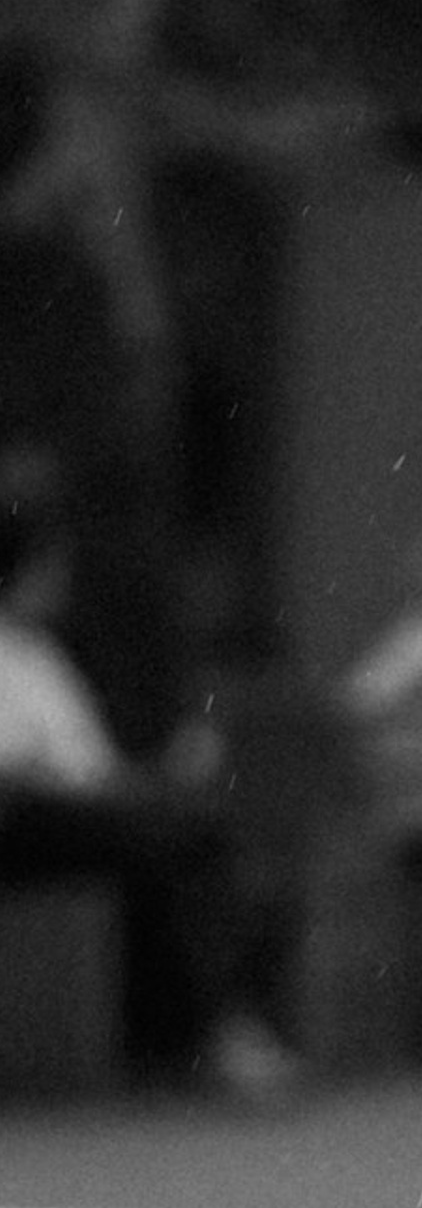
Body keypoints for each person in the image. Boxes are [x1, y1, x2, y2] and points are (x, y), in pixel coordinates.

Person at [0, 444, 297, 1099]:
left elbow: (93, 767)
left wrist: (154, 780)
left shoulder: (40, 650)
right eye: (54, 561)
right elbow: (26, 775)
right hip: (28, 825)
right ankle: (213, 1031)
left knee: (203, 830)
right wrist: (126, 796)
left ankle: (213, 1027)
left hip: (86, 811)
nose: (64, 576)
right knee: (175, 838)